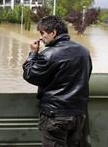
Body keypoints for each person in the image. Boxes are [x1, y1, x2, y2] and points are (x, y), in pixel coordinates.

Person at [22, 15, 92, 146]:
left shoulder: (49, 54)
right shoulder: (84, 52)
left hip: (55, 116)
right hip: (78, 115)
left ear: (53, 33)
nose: (41, 37)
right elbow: (86, 76)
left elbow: (30, 75)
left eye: (42, 33)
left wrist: (33, 54)